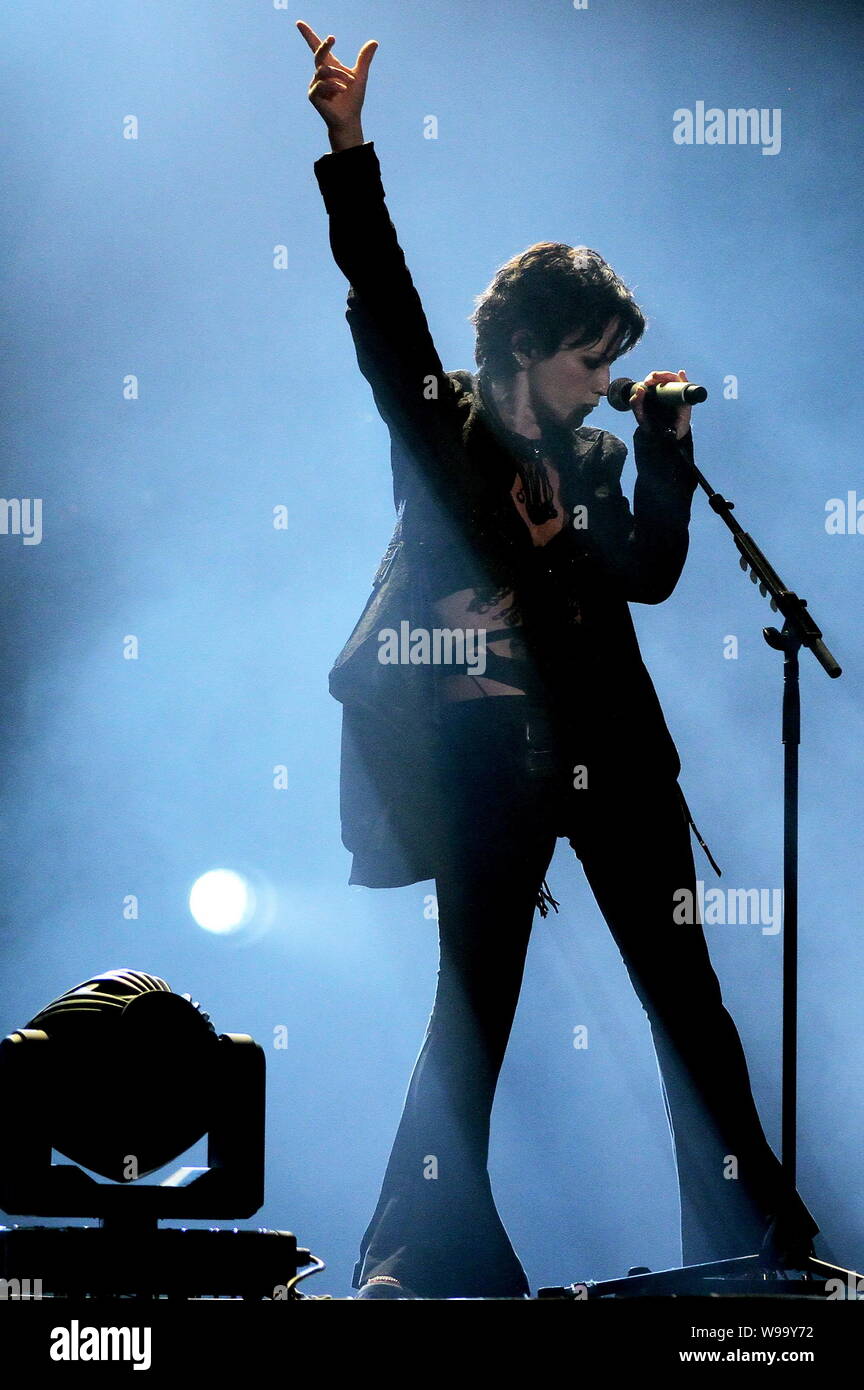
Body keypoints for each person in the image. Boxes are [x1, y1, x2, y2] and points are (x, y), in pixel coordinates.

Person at [296, 20, 820, 1300]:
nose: (604, 383)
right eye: (592, 361)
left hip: (613, 753)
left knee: (687, 999)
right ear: (527, 347)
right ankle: (415, 1257)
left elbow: (647, 570)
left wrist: (666, 451)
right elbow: (386, 305)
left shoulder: (594, 455)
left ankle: (760, 1248)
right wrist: (351, 150)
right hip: (487, 758)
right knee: (473, 1010)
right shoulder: (448, 427)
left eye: (615, 365)